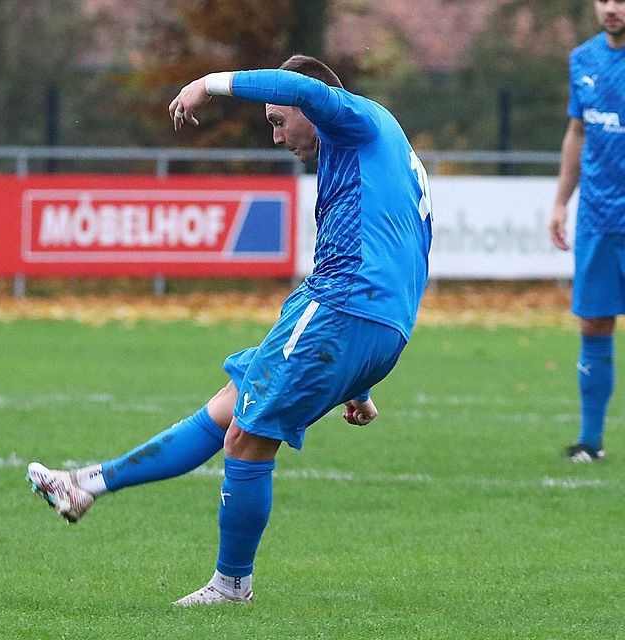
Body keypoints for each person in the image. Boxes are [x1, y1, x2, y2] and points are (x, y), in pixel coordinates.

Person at [26, 54, 433, 606]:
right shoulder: (378, 150)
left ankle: (231, 585)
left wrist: (205, 85)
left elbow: (295, 86)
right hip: (374, 321)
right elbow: (396, 249)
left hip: (343, 307)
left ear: (314, 105)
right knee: (228, 408)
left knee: (245, 439)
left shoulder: (355, 117)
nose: (276, 136)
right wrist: (358, 381)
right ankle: (84, 485)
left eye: (278, 120)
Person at [549, 0, 625, 463]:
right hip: (598, 218)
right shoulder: (584, 59)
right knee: (595, 322)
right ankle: (590, 442)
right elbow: (577, 131)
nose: (612, 8)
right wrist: (561, 201)